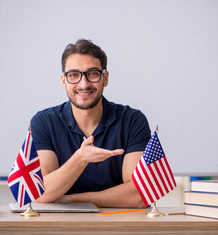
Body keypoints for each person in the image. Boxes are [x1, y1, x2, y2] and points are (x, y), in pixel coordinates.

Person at [30, 39, 151, 208]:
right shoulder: (44, 122)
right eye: (73, 75)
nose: (84, 84)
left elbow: (138, 194)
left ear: (105, 78)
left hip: (118, 225)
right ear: (63, 81)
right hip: (60, 227)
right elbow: (40, 192)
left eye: (92, 74)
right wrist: (81, 158)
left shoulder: (132, 121)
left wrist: (72, 200)